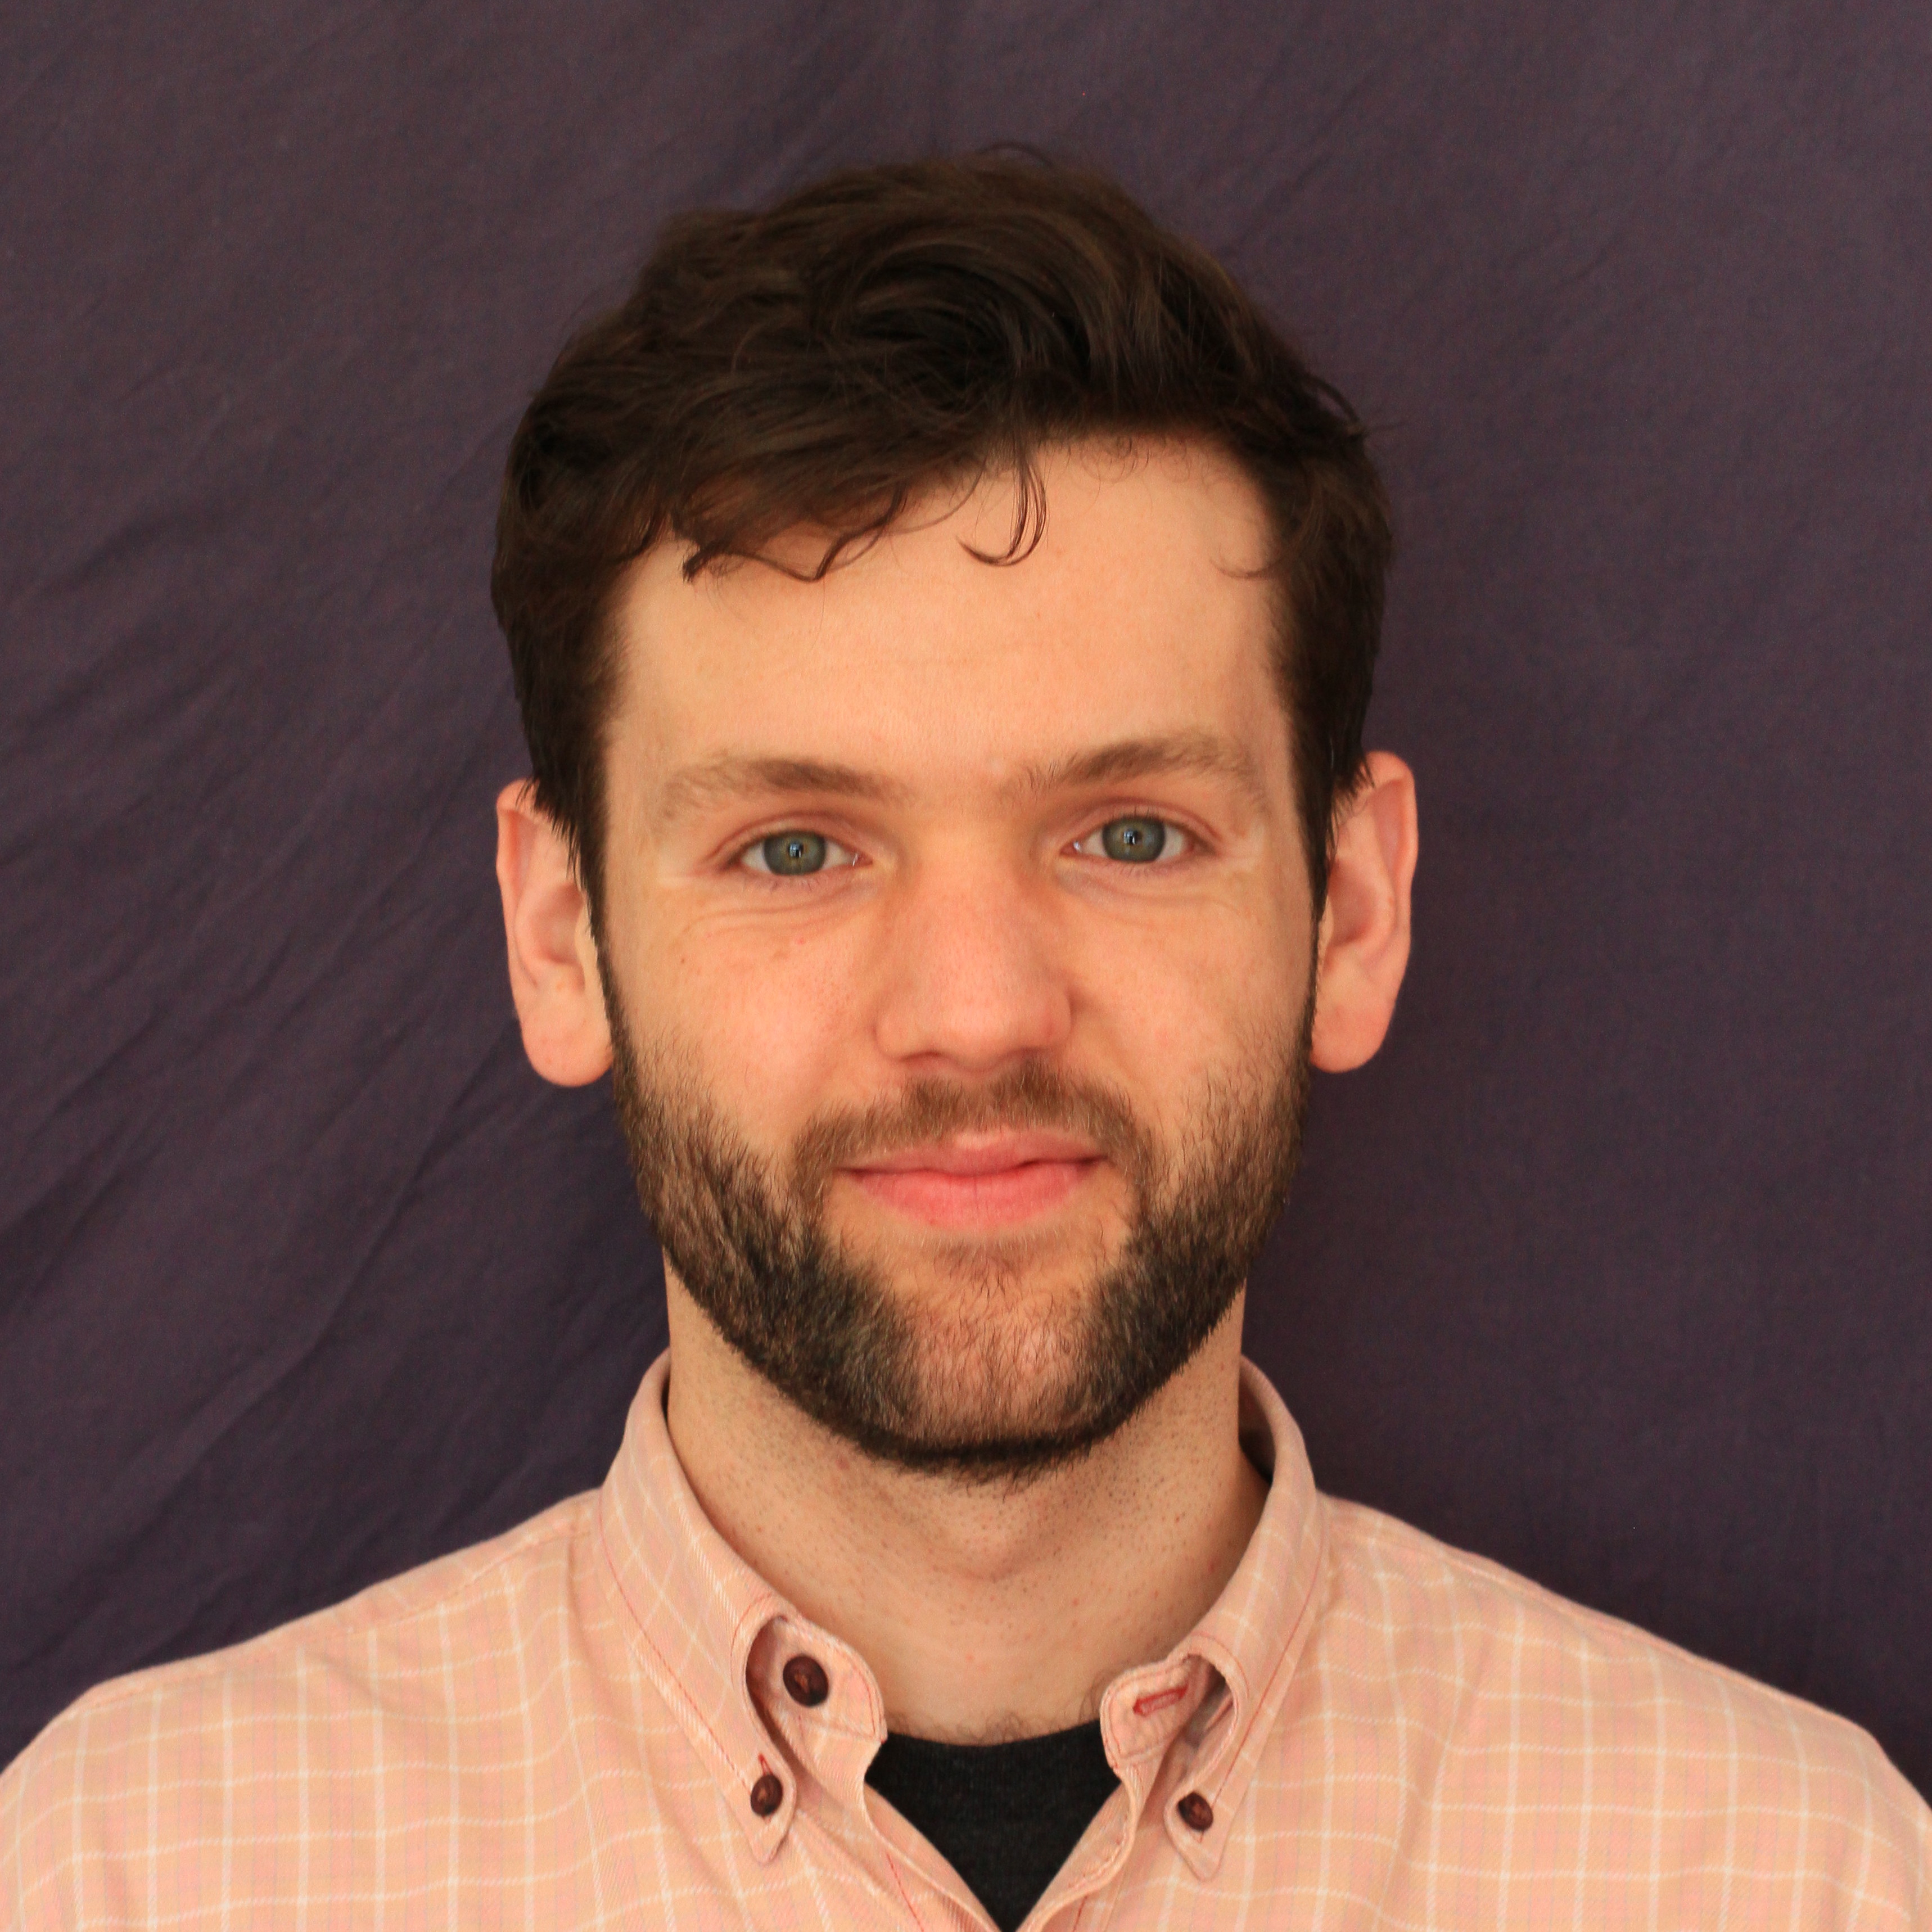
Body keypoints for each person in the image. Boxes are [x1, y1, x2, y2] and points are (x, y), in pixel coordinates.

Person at [2, 155, 1925, 1932]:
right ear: (559, 933)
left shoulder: (1789, 1879)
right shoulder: (130, 1876)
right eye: (795, 848)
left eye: (1130, 834)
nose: (975, 1010)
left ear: (1350, 909)